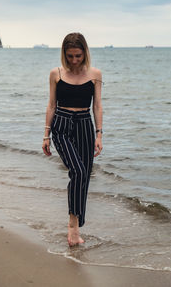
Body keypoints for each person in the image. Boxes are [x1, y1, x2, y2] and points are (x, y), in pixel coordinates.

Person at [42, 32, 103, 246]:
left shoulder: (95, 74)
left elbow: (97, 106)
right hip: (62, 124)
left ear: (85, 53)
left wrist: (99, 134)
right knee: (77, 171)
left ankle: (77, 221)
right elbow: (51, 104)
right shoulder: (56, 74)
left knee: (84, 177)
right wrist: (46, 134)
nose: (74, 60)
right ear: (64, 54)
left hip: (85, 124)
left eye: (78, 56)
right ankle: (73, 225)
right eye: (70, 56)